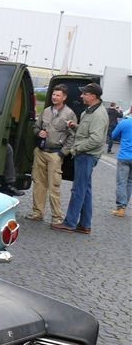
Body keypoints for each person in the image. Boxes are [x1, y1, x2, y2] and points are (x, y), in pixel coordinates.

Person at [52, 83, 108, 234]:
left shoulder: (98, 115)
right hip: (85, 155)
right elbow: (87, 132)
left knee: (78, 189)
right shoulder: (89, 112)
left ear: (93, 96)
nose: (81, 96)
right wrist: (75, 126)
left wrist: (76, 148)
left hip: (86, 155)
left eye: (85, 94)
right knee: (85, 190)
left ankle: (70, 222)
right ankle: (85, 224)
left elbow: (96, 139)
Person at [27, 85, 75, 223]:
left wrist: (62, 153)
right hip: (40, 151)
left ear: (64, 97)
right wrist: (39, 132)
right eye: (53, 94)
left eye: (58, 95)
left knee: (54, 186)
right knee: (38, 184)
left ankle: (57, 218)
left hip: (55, 154)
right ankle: (37, 213)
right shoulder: (46, 111)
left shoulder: (69, 114)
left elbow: (72, 136)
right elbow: (35, 127)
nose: (54, 97)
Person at [110, 114, 131, 217]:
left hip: (124, 156)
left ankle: (121, 207)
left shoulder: (124, 123)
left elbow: (113, 135)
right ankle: (124, 206)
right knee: (130, 182)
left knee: (121, 182)